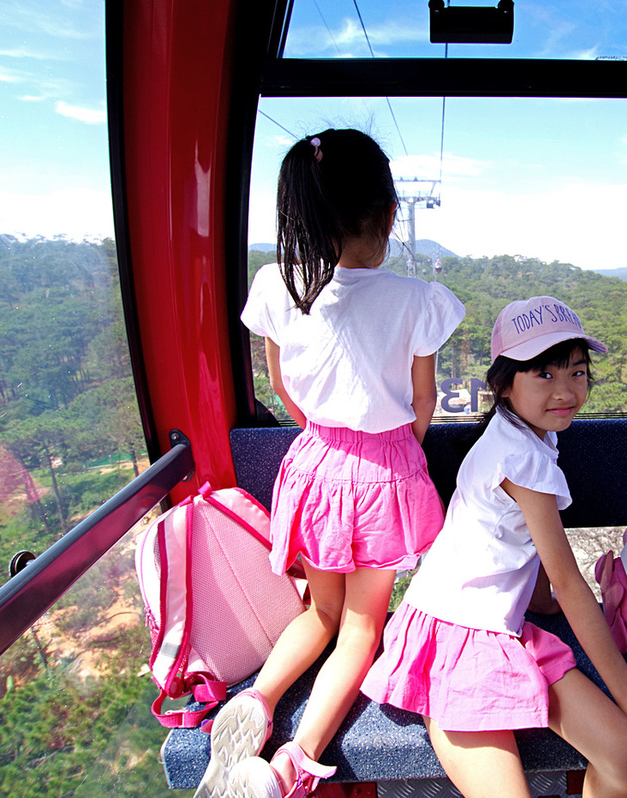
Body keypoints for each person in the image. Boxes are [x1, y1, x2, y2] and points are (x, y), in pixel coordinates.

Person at [195, 129, 465, 798]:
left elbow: (281, 386)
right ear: (390, 212)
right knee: (361, 628)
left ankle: (254, 704)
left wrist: (325, 432)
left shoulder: (278, 287)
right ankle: (295, 761)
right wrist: (399, 453)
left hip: (313, 463)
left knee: (319, 609)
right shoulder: (414, 298)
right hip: (383, 473)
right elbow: (423, 399)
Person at [361, 296, 627, 798]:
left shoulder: (523, 433)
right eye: (544, 374)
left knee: (626, 753)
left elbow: (521, 549)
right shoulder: (524, 458)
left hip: (502, 628)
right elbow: (567, 579)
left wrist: (544, 605)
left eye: (578, 372)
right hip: (457, 639)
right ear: (504, 383)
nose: (566, 391)